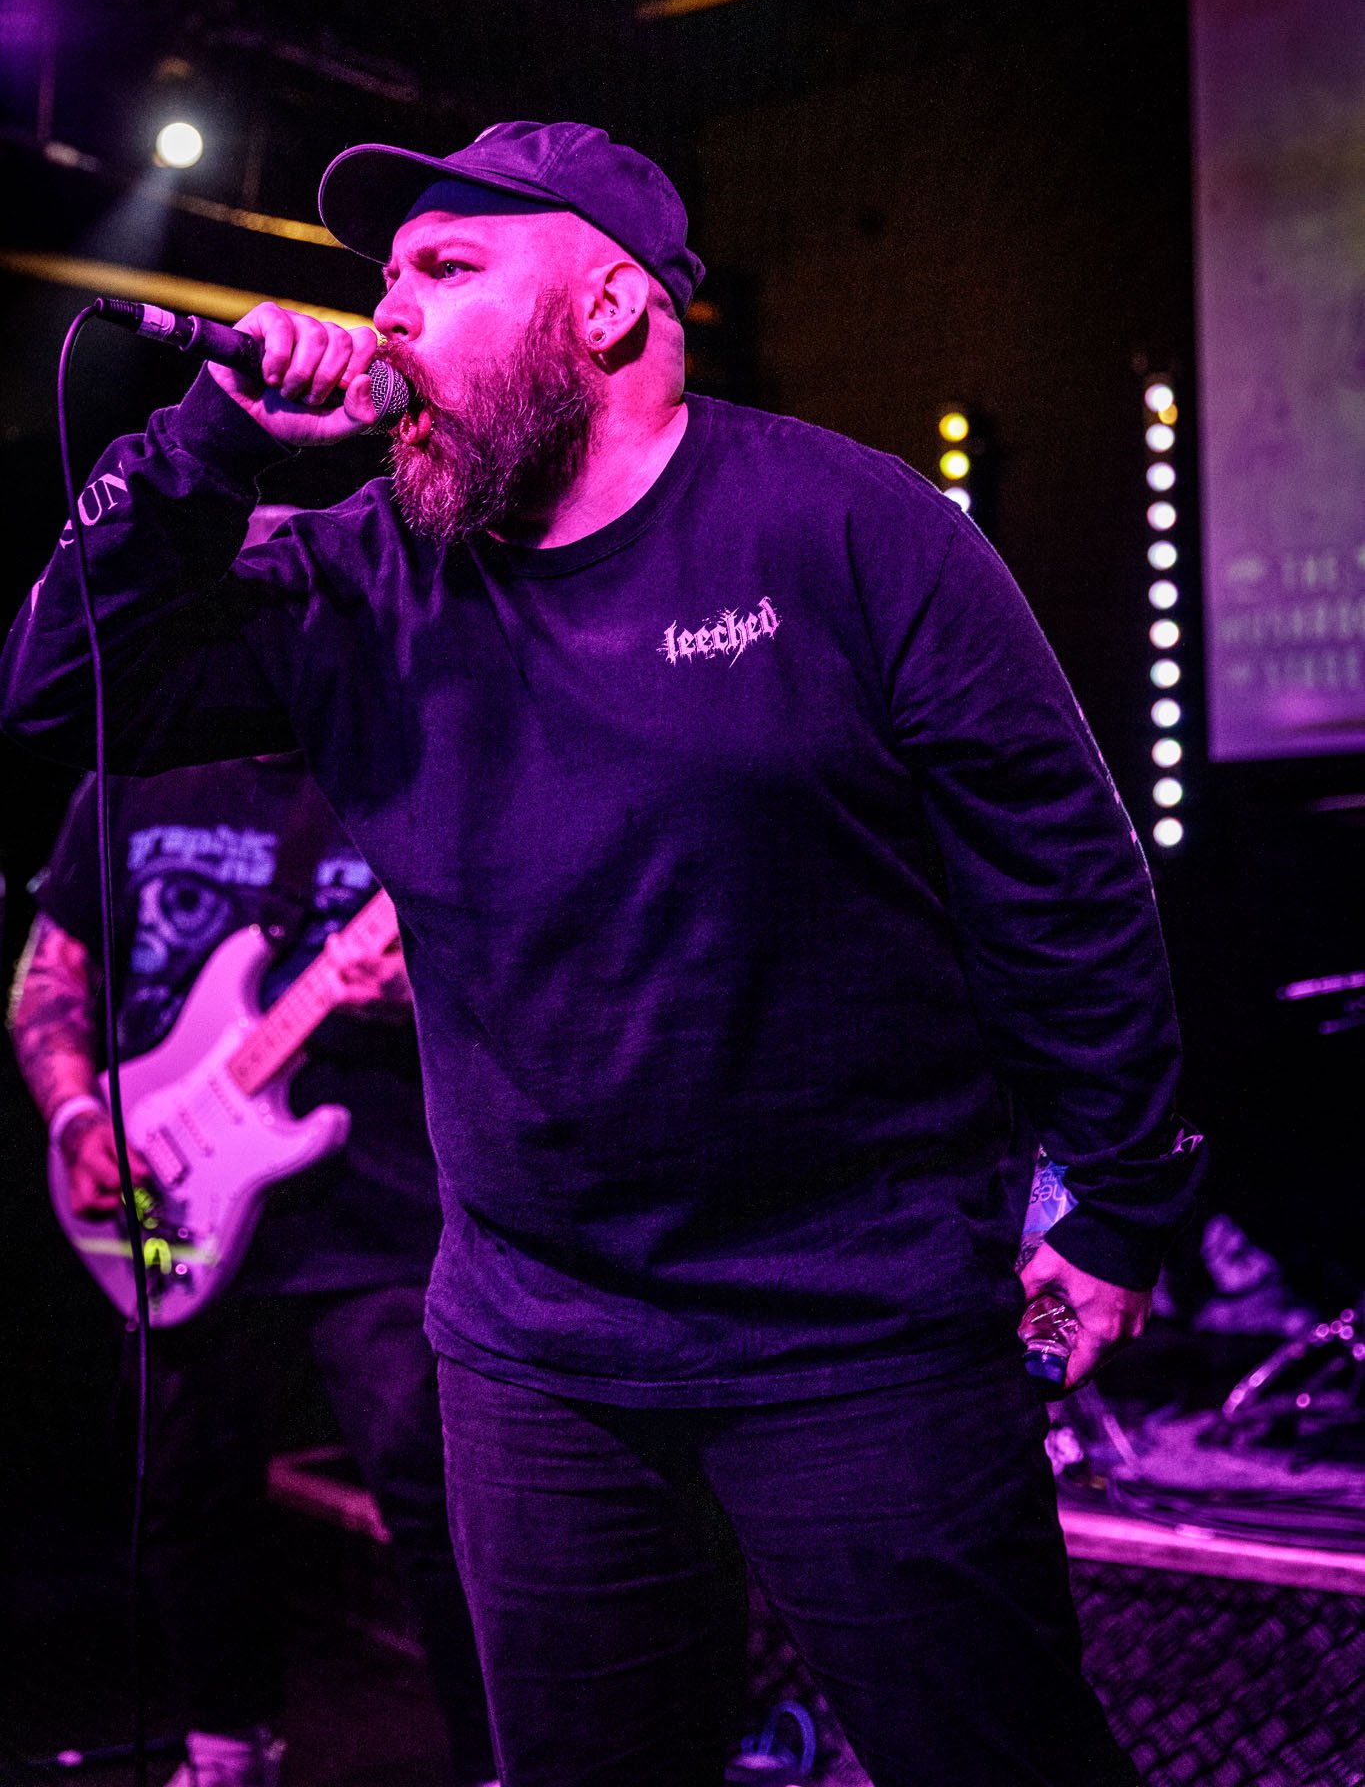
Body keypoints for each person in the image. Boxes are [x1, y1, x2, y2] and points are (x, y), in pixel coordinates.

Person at [1, 119, 1204, 1787]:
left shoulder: (850, 531)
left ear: (613, 310)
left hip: (859, 1329)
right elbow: (53, 698)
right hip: (536, 1343)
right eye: (385, 277)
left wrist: (1127, 1198)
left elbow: (1062, 876)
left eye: (447, 265)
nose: (392, 313)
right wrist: (209, 443)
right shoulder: (366, 577)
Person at [8, 747, 495, 1787]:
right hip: (167, 1193)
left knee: (436, 1492)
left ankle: (500, 1755)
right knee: (181, 1482)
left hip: (377, 1210)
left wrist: (423, 980)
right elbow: (48, 974)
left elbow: (521, 939)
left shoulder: (400, 753)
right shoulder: (133, 772)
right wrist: (79, 1115)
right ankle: (227, 1743)